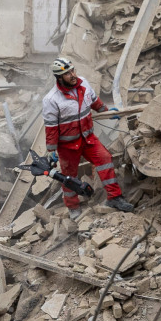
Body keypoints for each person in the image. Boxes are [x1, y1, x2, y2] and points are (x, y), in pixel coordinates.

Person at [41, 57, 135, 213]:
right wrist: (51, 151)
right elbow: (51, 129)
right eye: (67, 73)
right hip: (68, 146)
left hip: (87, 138)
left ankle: (114, 198)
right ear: (59, 77)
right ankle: (73, 208)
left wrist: (106, 111)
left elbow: (94, 101)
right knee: (69, 177)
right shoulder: (51, 100)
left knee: (105, 159)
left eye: (73, 70)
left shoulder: (83, 82)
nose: (73, 75)